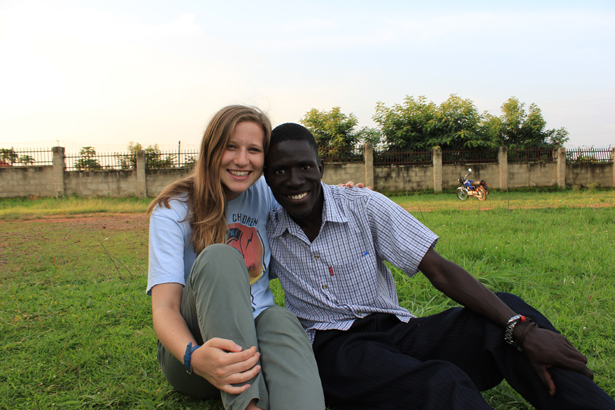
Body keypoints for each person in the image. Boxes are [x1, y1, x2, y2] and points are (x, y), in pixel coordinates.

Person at [263, 122, 615, 410]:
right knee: (440, 382)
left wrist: (521, 331)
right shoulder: (266, 228)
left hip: (394, 331)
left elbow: (439, 269)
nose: (294, 181)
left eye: (304, 167)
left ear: (321, 169)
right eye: (280, 171)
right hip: (336, 351)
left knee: (510, 315)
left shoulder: (363, 206)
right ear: (266, 179)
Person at [146, 107, 324, 410]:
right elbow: (166, 307)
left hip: (258, 335)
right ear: (211, 149)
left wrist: (352, 195)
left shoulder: (266, 194)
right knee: (220, 257)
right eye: (231, 146)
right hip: (196, 355)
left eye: (253, 150)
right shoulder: (173, 210)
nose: (242, 160)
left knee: (279, 318)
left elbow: (308, 190)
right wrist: (193, 355)